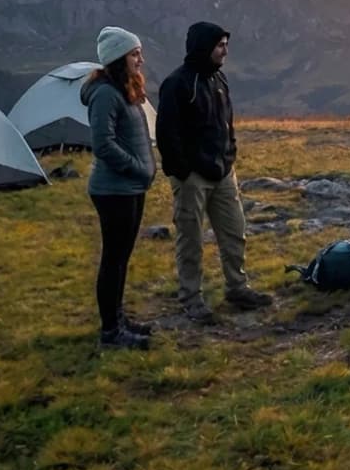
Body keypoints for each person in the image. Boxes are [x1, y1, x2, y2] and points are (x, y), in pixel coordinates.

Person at [156, 21, 271, 323]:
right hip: (192, 176)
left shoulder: (219, 79)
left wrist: (229, 154)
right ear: (204, 47)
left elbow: (226, 122)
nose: (225, 51)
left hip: (223, 172)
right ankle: (191, 298)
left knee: (234, 232)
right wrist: (182, 170)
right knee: (190, 238)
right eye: (220, 45)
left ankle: (237, 287)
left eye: (225, 45)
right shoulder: (178, 84)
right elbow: (167, 133)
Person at [81, 26, 157, 351]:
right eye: (134, 54)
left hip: (130, 187)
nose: (140, 59)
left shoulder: (123, 88)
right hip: (114, 190)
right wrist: (139, 168)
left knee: (121, 257)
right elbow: (104, 144)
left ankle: (118, 319)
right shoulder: (105, 94)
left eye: (139, 52)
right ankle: (111, 332)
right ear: (117, 58)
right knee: (113, 258)